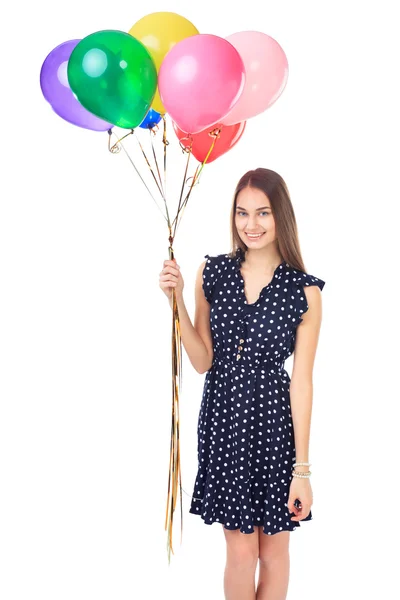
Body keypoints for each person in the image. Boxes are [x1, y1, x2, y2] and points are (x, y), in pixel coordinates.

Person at [159, 167, 325, 600]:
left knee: (274, 551)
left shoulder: (304, 292)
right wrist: (176, 300)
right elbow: (201, 361)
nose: (251, 225)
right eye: (242, 213)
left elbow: (302, 384)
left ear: (280, 217)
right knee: (240, 551)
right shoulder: (211, 274)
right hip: (225, 424)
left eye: (263, 213)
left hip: (273, 430)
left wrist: (302, 471)